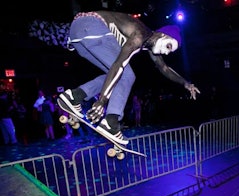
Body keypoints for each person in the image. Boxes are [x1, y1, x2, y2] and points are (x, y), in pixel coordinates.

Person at [59, 11, 200, 145]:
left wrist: (185, 83)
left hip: (79, 33)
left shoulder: (147, 43)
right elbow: (119, 64)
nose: (167, 52)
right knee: (126, 75)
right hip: (92, 27)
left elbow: (164, 68)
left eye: (170, 51)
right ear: (162, 35)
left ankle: (74, 96)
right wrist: (102, 101)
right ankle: (111, 122)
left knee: (114, 74)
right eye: (169, 46)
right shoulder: (141, 34)